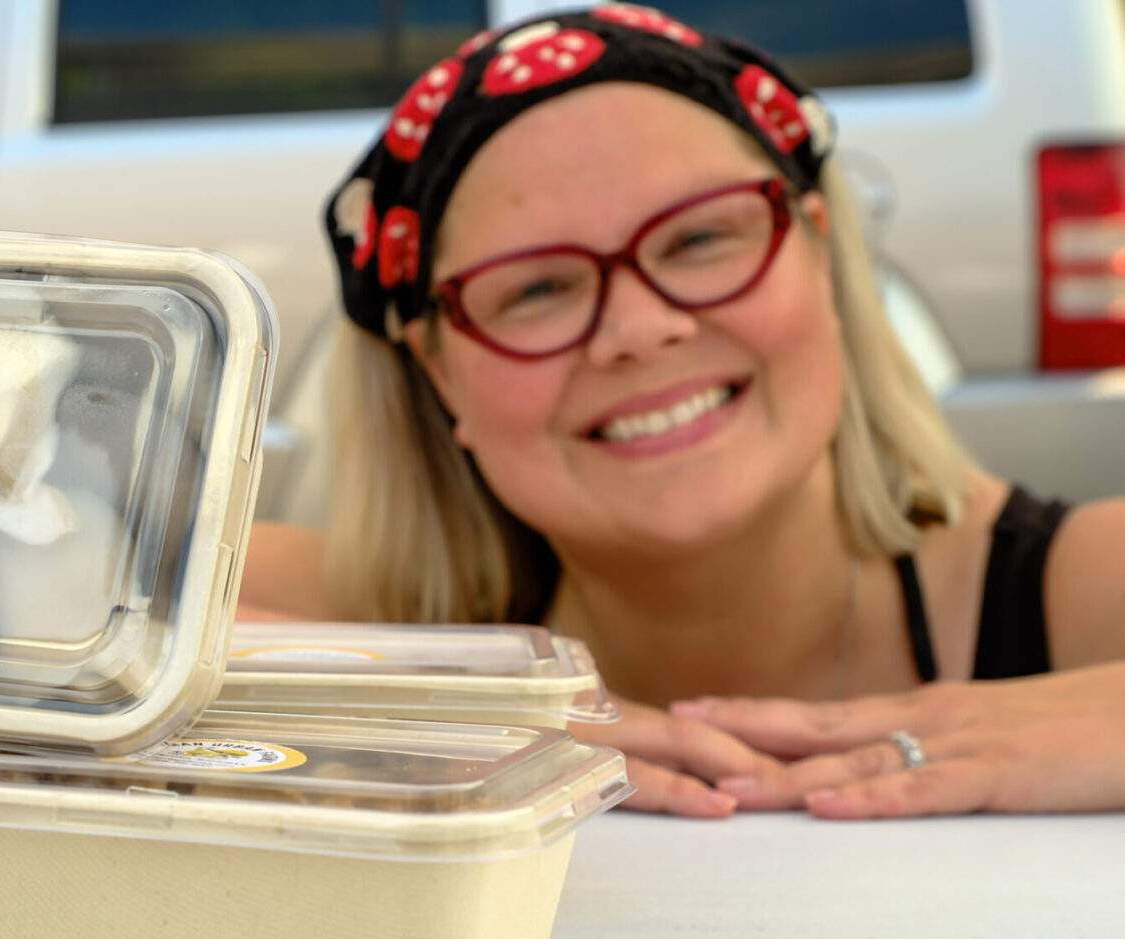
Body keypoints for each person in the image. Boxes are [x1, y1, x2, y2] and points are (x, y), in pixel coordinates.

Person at [239, 4, 1125, 819]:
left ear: (820, 256)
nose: (638, 327)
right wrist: (410, 698)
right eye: (538, 289)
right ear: (436, 373)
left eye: (701, 238)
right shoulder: (364, 618)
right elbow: (106, 642)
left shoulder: (1071, 591)